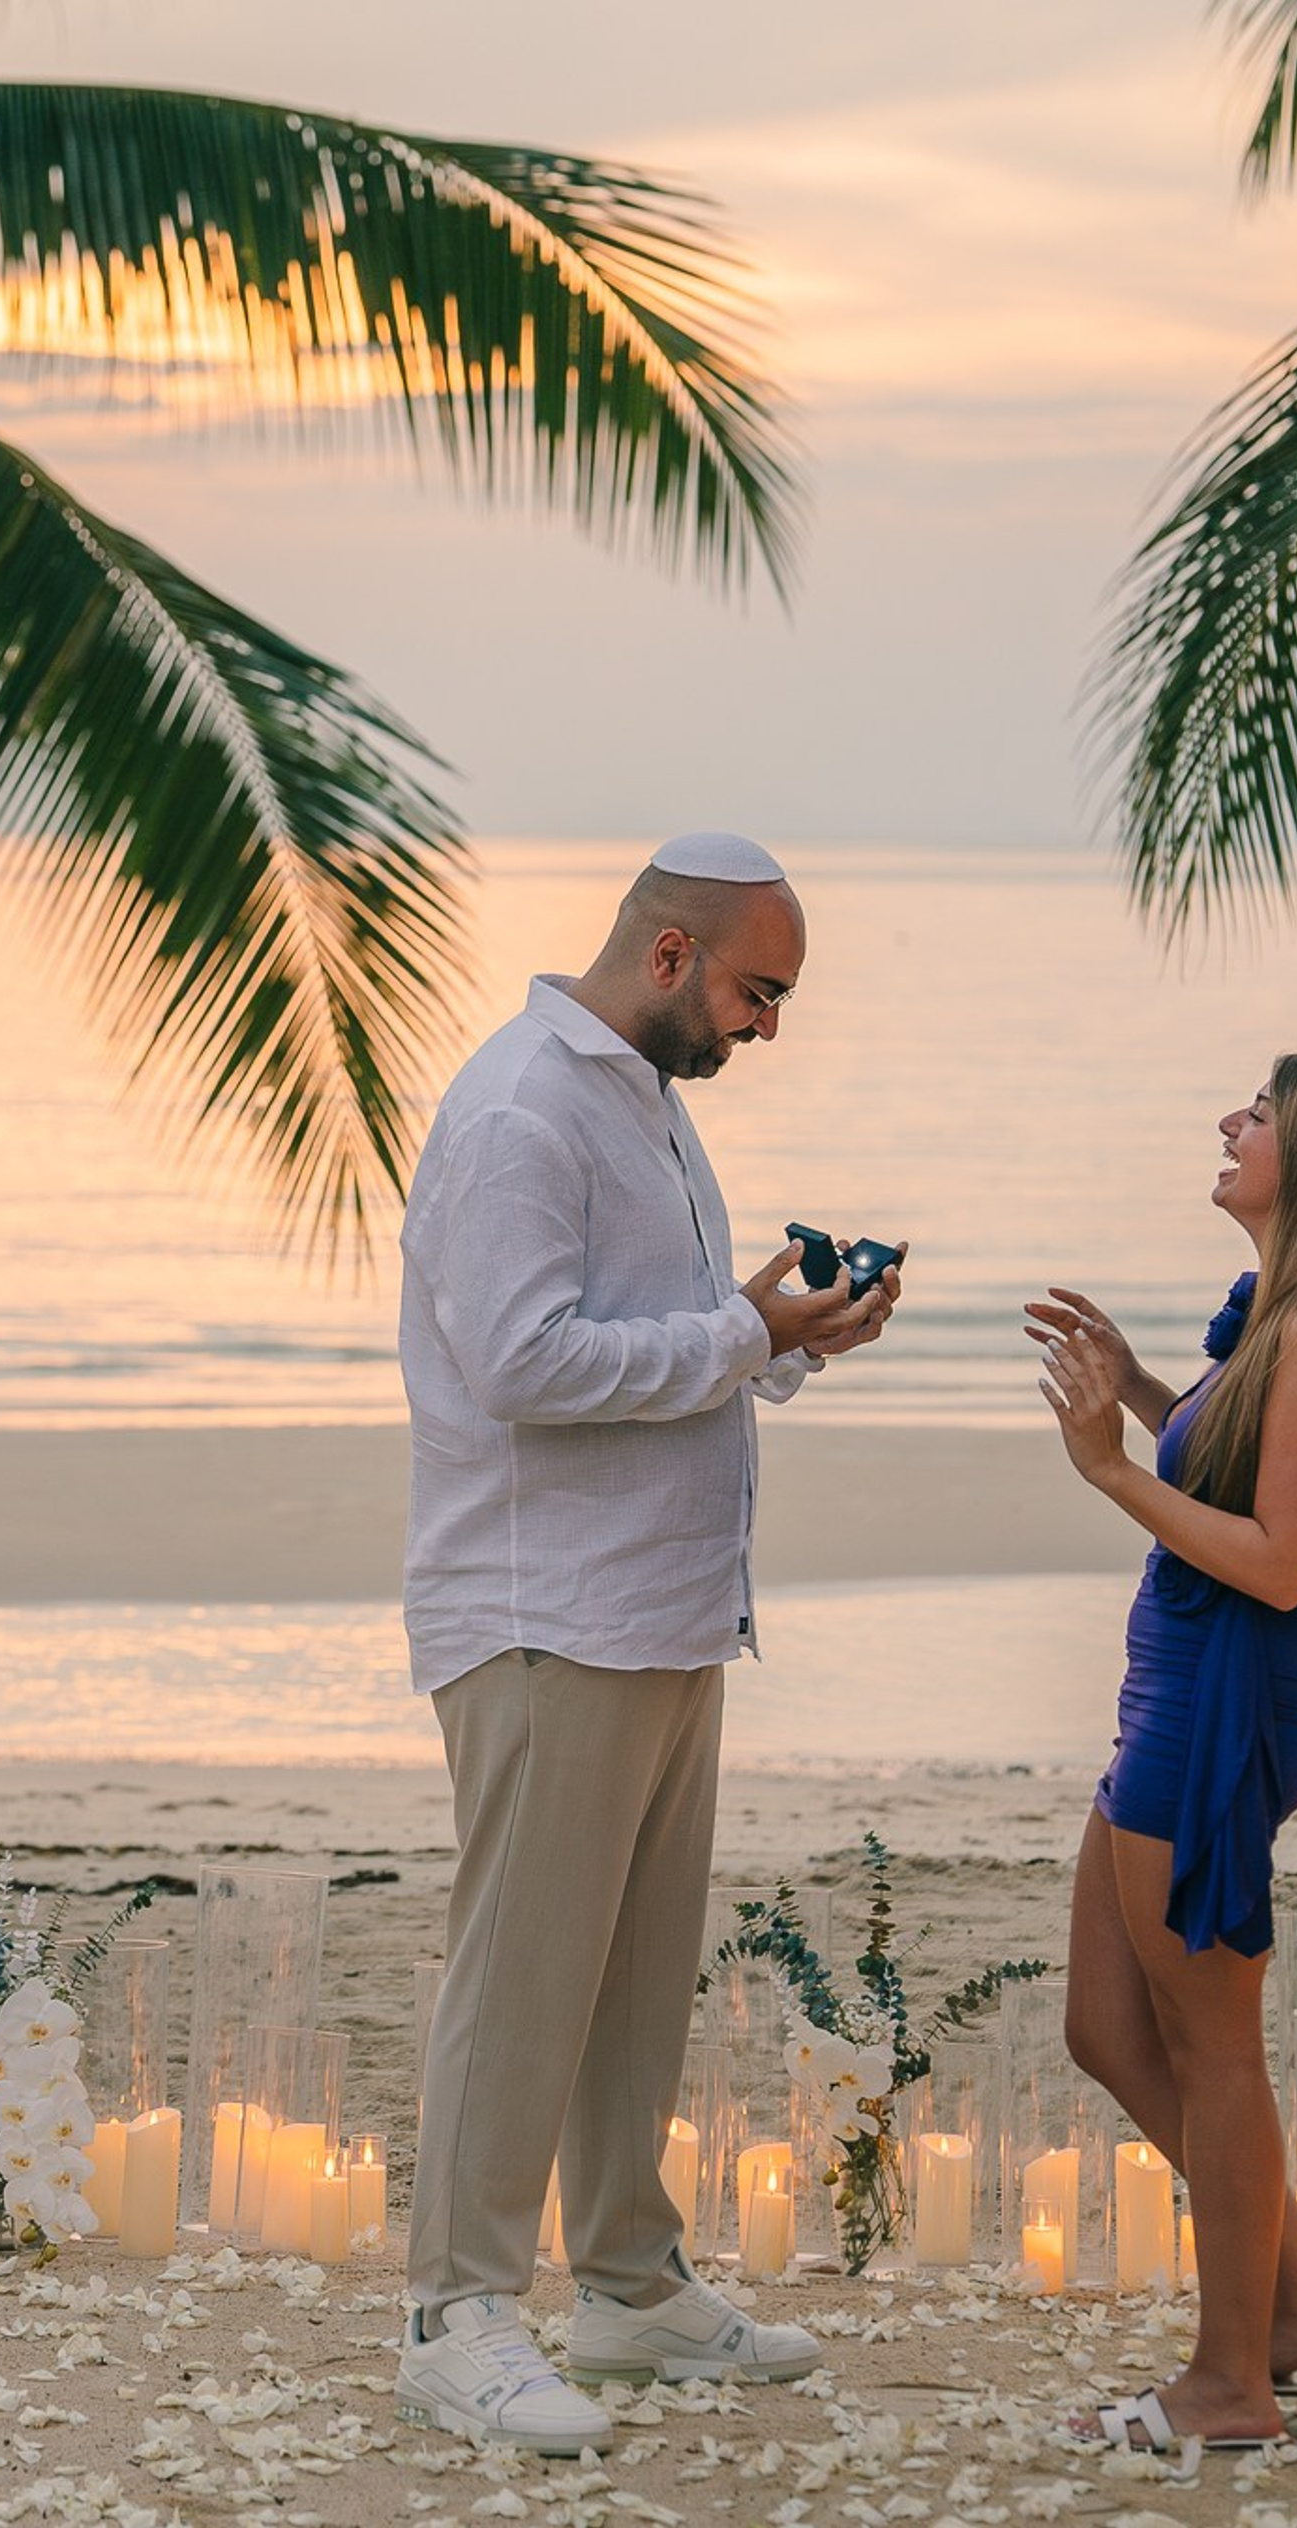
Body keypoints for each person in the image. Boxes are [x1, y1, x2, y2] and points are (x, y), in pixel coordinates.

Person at [394, 832, 901, 2457]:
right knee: (522, 1976)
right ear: (671, 955)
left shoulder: (648, 1104)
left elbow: (663, 1351)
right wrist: (748, 1328)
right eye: (762, 989)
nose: (770, 1026)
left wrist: (786, 1336)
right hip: (548, 1615)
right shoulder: (524, 1109)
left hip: (667, 1611)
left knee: (630, 1985)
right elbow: (528, 1363)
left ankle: (624, 2280)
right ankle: (456, 2313)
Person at [1026, 1050, 1297, 2462]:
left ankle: (1233, 2384)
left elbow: (1277, 1562)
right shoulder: (1285, 1323)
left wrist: (1110, 1473)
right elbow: (1240, 1477)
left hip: (1224, 1707)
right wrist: (1143, 1387)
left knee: (1211, 2054)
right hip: (1177, 1690)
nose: (1229, 1119)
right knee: (1107, 2024)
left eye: (1258, 1111)